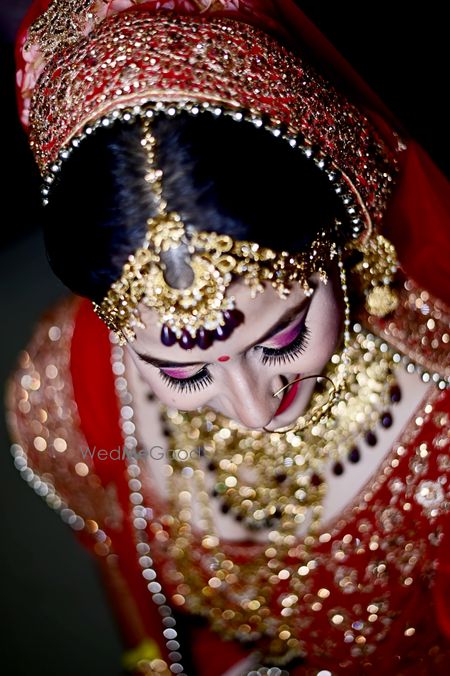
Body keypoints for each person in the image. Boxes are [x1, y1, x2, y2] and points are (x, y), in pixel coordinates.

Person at [6, 0, 450, 674]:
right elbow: (142, 609)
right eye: (183, 371)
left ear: (342, 224)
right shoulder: (69, 387)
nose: (252, 407)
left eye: (282, 337)